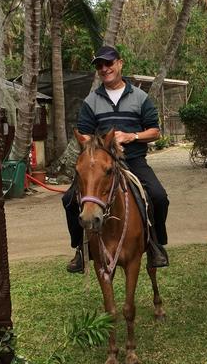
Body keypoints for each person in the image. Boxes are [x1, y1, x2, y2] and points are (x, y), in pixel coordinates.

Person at [63, 45, 169, 272]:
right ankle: (81, 250)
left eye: (108, 63)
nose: (104, 68)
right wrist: (103, 144)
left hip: (134, 160)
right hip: (102, 165)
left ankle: (155, 245)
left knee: (159, 197)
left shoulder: (140, 97)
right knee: (70, 199)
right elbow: (85, 134)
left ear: (120, 63)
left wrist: (133, 136)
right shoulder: (91, 101)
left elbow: (155, 131)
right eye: (100, 65)